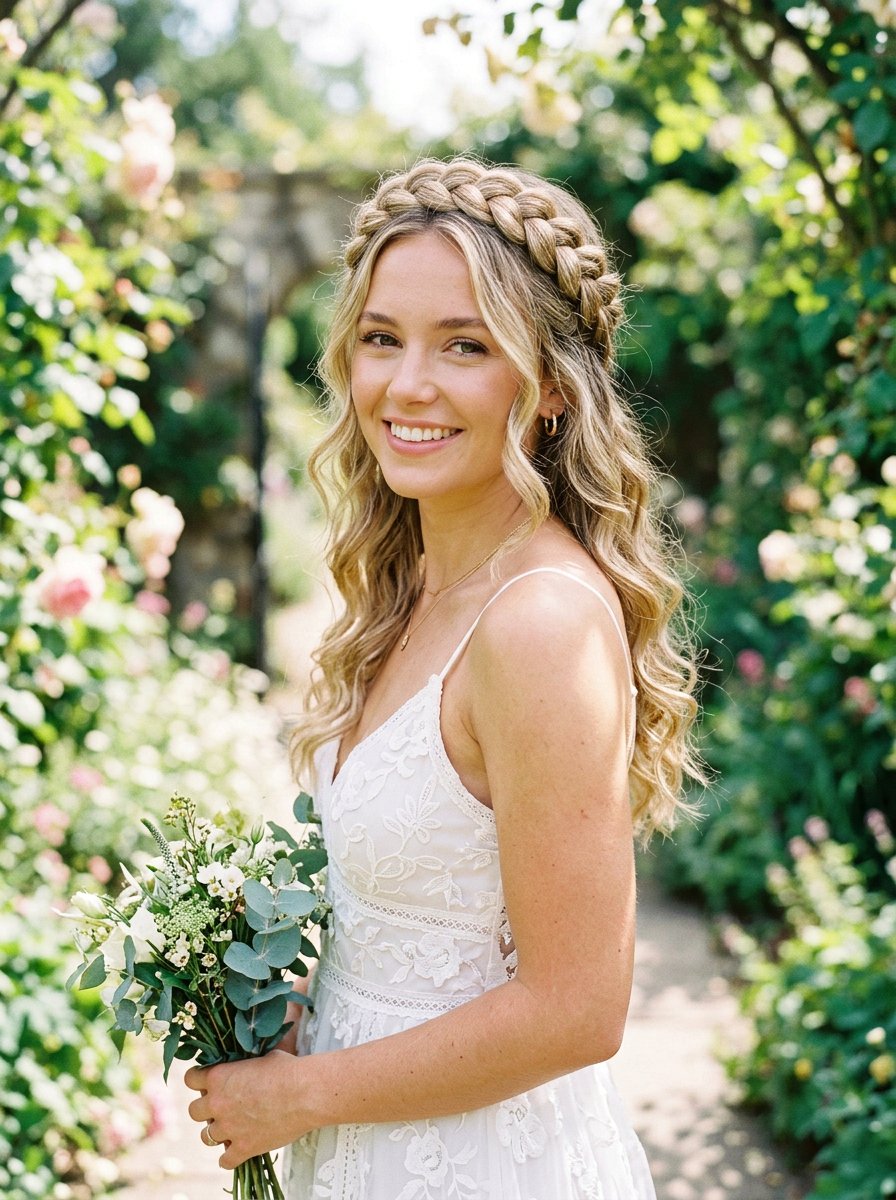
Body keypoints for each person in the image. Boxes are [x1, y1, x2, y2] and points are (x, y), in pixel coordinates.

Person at [185, 157, 703, 1199]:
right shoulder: (416, 584)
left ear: (550, 388)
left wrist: (304, 1096)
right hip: (370, 1146)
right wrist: (294, 1005)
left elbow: (577, 1007)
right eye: (380, 338)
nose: (405, 385)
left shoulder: (540, 624)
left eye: (463, 346)